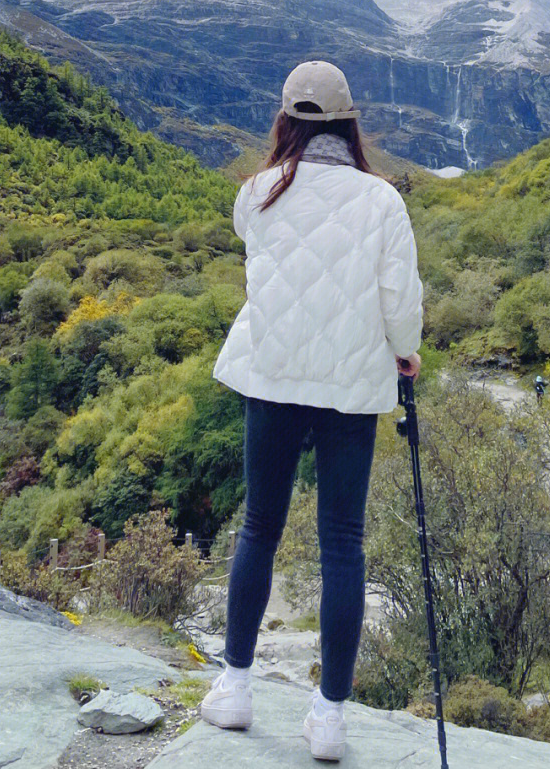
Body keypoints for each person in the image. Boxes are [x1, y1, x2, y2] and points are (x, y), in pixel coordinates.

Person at [199, 59, 424, 762]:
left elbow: (266, 254)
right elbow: (401, 299)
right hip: (350, 387)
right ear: (347, 122)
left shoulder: (257, 192)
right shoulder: (382, 200)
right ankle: (329, 716)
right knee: (342, 544)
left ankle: (235, 687)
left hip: (272, 374)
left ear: (286, 120)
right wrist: (406, 353)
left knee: (259, 527)